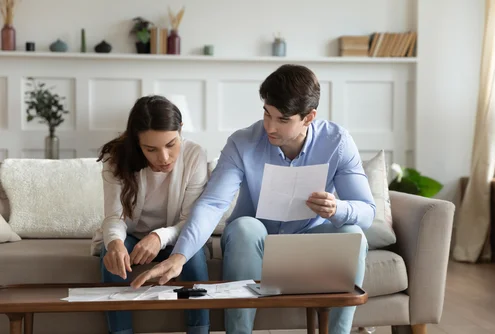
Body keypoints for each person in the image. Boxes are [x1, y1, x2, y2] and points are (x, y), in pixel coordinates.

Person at [131, 65, 376, 334]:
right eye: (266, 114)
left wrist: (338, 207)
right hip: (254, 241)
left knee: (353, 233)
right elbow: (213, 204)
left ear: (309, 117)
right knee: (245, 227)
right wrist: (179, 256)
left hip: (311, 240)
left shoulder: (337, 142)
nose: (269, 126)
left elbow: (366, 212)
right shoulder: (242, 142)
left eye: (283, 120)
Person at [92, 95, 210, 334]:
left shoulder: (194, 155)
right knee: (112, 254)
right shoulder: (117, 158)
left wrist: (158, 237)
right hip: (132, 235)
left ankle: (200, 331)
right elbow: (114, 217)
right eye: (151, 149)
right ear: (137, 143)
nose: (164, 158)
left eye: (170, 144)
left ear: (180, 131)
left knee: (194, 256)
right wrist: (115, 243)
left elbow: (190, 220)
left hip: (175, 235)